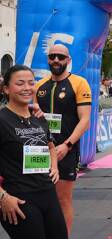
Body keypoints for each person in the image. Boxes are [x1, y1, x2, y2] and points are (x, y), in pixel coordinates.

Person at [0, 65, 68, 239]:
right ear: (6, 89)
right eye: (20, 83)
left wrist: (54, 166)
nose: (27, 88)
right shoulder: (2, 120)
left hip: (48, 194)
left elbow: (50, 145)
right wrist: (2, 197)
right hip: (19, 200)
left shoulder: (38, 117)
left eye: (31, 83)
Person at [34, 44, 91, 235]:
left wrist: (67, 145)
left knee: (63, 199)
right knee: (39, 198)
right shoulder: (39, 85)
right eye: (52, 57)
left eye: (60, 57)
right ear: (48, 59)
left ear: (68, 60)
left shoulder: (79, 83)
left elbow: (85, 120)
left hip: (66, 150)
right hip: (40, 150)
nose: (56, 60)